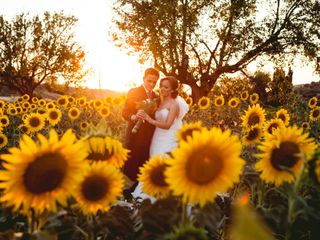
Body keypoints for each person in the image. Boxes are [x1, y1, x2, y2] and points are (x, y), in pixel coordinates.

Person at [132, 76, 189, 199]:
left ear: (173, 90)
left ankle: (162, 197)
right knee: (153, 163)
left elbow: (168, 125)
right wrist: (142, 113)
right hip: (156, 138)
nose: (162, 89)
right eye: (161, 86)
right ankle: (145, 195)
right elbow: (149, 111)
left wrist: (149, 119)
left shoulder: (174, 105)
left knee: (164, 164)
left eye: (166, 87)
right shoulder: (158, 101)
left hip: (168, 139)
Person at [122, 67, 160, 195]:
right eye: (149, 81)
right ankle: (124, 194)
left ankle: (137, 195)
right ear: (143, 78)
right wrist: (134, 116)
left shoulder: (156, 97)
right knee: (130, 165)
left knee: (144, 166)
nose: (152, 84)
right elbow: (125, 112)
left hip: (149, 138)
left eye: (155, 82)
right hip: (135, 136)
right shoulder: (134, 92)